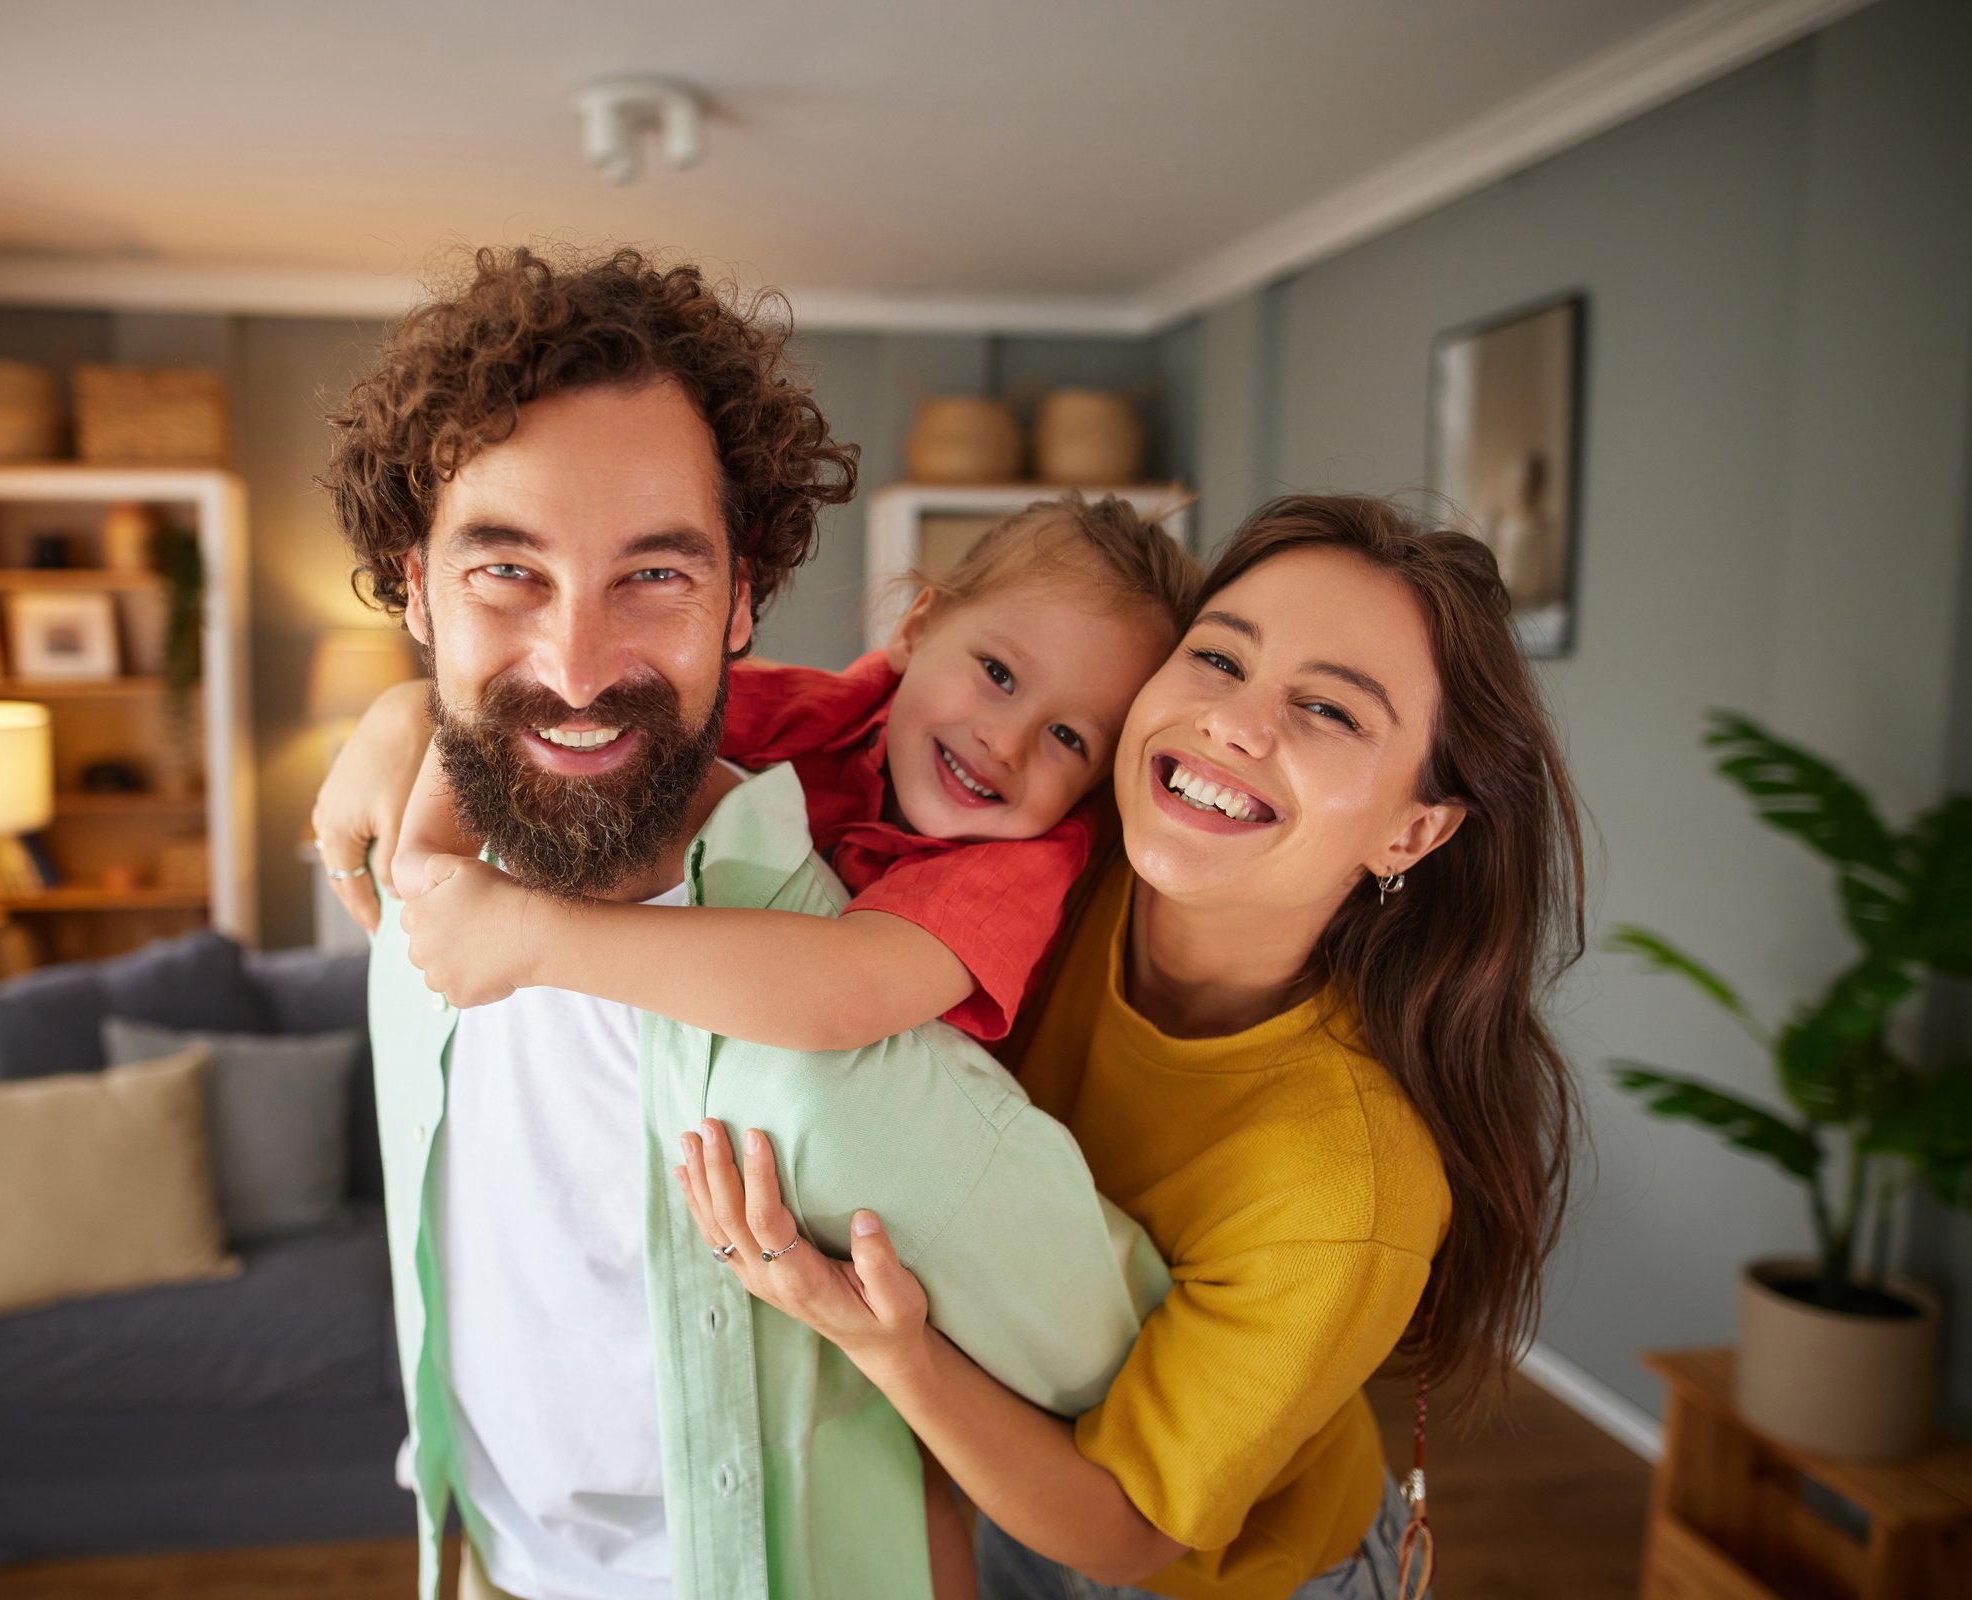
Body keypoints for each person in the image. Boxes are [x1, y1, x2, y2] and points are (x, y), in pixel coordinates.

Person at [315, 244, 1167, 1600]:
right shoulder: (399, 888)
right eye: (506, 572)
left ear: (744, 601)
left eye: (654, 575)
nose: (579, 666)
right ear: (413, 586)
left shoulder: (855, 1070)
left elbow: (1118, 1369)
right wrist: (398, 716)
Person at [679, 495, 1582, 1600]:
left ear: (1413, 829)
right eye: (1217, 658)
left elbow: (1124, 1528)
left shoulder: (1350, 1185)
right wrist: (401, 730)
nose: (1234, 725)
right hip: (992, 1446)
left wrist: (886, 1347)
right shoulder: (1050, 830)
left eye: (1330, 711)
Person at [388, 492, 1192, 1049]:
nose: (1007, 743)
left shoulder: (1026, 861)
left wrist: (535, 940)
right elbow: (561, 715)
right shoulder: (830, 711)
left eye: (1068, 737)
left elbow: (846, 992)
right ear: (918, 628)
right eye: (999, 674)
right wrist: (424, 852)